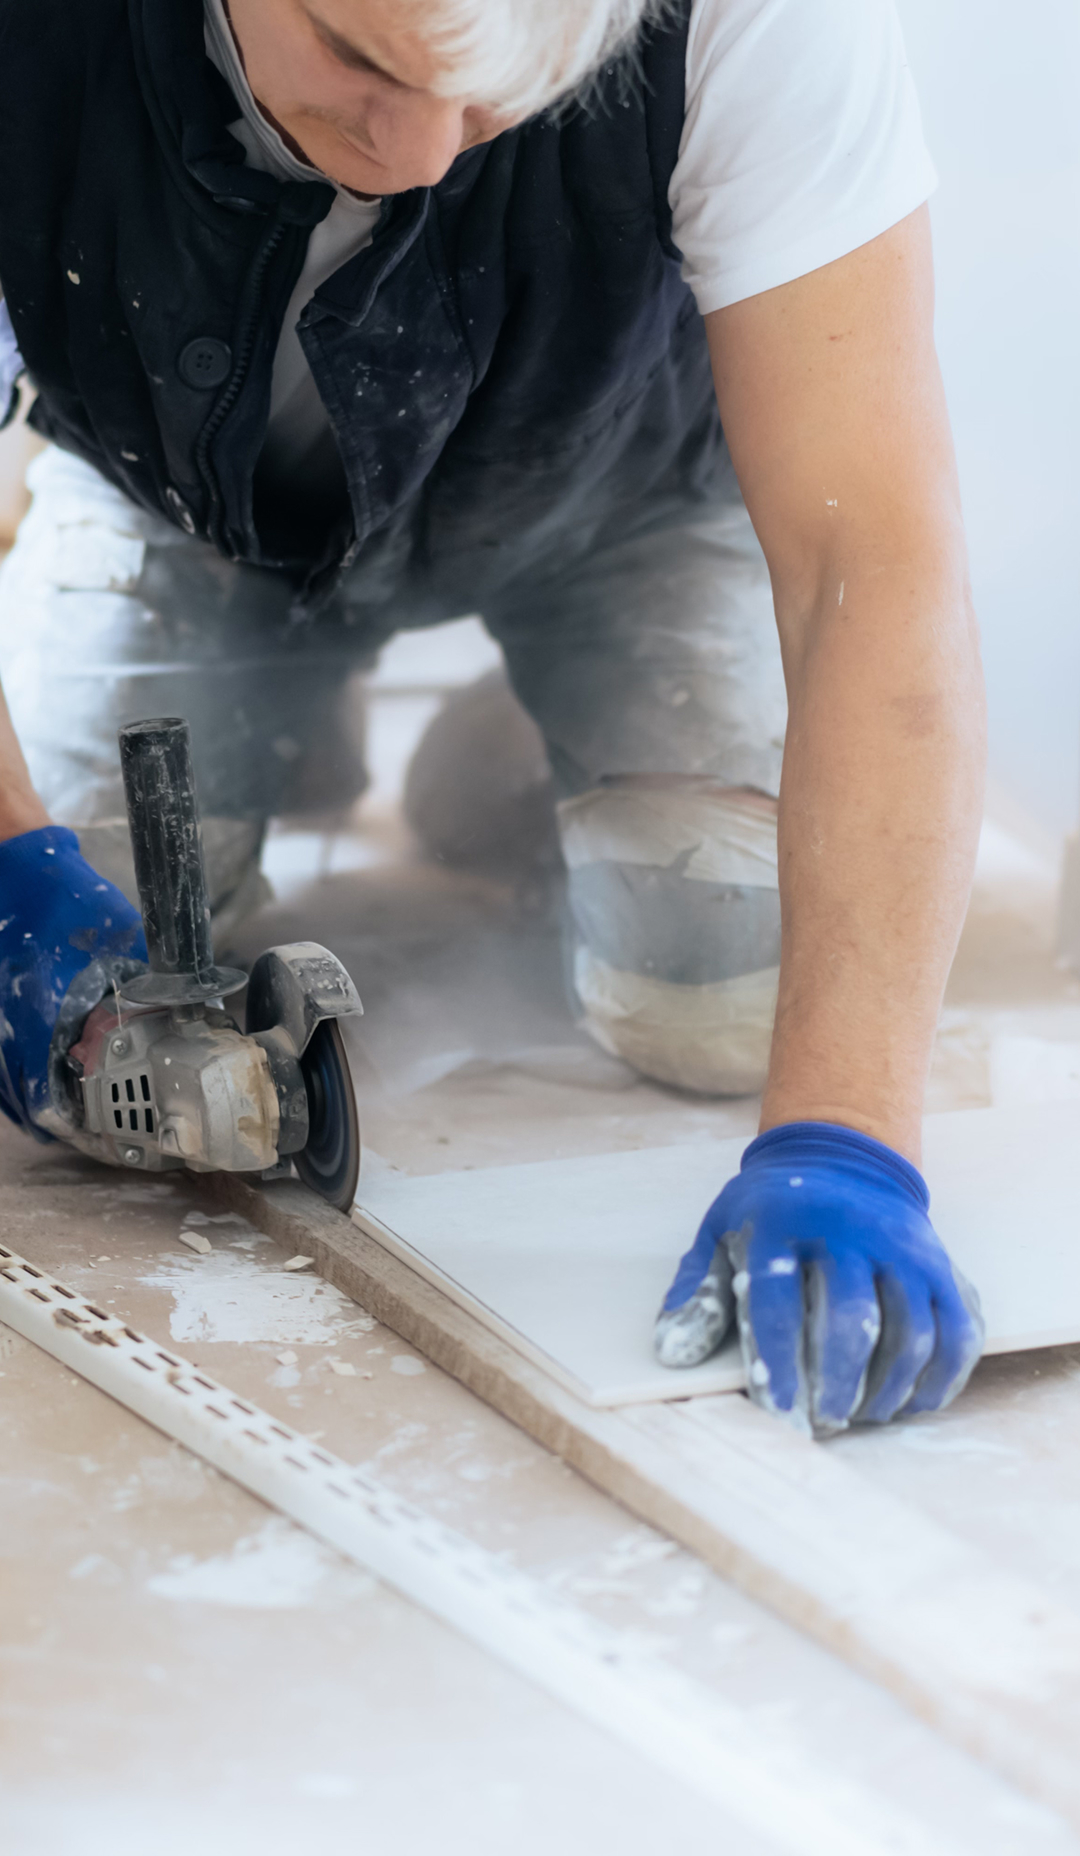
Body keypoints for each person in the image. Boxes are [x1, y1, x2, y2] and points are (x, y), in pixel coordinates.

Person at [0, 0, 986, 1435]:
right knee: (114, 989)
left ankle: (509, 750)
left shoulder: (765, 19)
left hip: (619, 506)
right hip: (178, 507)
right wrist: (12, 857)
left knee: (717, 984)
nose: (415, 156)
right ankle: (292, 704)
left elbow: (868, 562)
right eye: (359, 57)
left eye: (500, 98)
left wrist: (852, 1139)